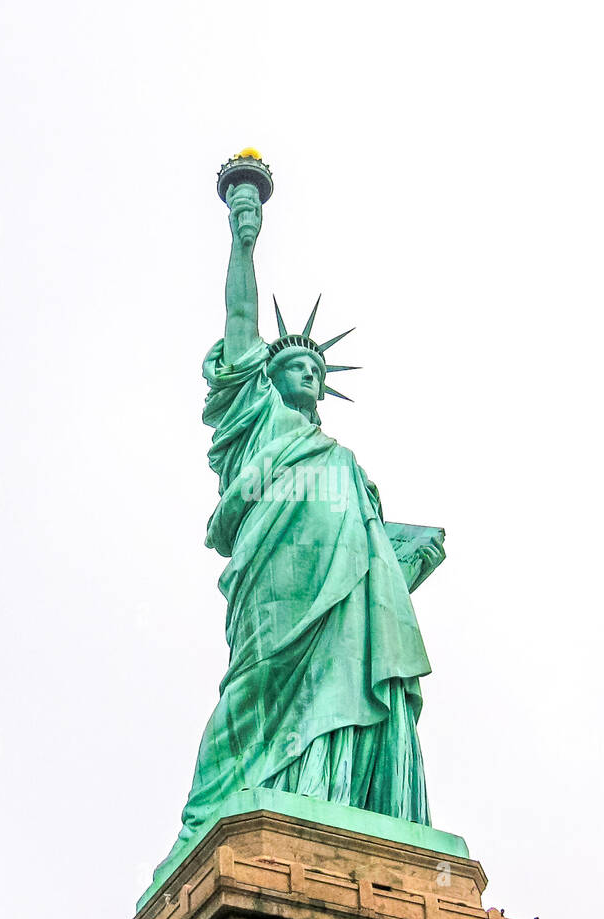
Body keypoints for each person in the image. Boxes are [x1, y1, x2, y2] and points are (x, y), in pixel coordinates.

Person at [154, 179, 445, 881]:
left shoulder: (342, 463)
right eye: (294, 365)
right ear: (265, 378)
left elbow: (375, 548)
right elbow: (241, 317)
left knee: (350, 682)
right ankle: (218, 813)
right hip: (273, 585)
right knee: (250, 693)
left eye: (317, 367)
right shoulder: (255, 423)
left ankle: (330, 795)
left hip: (344, 603)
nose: (309, 372)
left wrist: (411, 549)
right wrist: (243, 234)